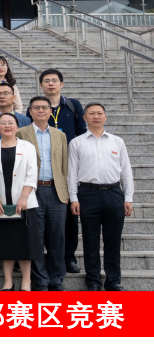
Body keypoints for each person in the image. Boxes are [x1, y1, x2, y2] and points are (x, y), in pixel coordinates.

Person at [69, 103, 134, 292]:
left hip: (114, 192)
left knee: (113, 239)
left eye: (99, 113)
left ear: (105, 117)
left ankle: (113, 281)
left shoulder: (117, 142)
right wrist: (74, 198)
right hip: (87, 193)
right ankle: (93, 281)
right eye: (91, 113)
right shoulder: (77, 143)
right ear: (84, 118)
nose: (96, 116)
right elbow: (72, 173)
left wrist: (128, 197)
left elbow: (126, 172)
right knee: (90, 239)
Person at [17, 96, 69, 291]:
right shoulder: (21, 133)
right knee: (35, 237)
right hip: (32, 190)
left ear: (50, 111)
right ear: (30, 111)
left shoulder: (59, 135)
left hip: (56, 191)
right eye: (36, 107)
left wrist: (66, 192)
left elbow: (64, 166)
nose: (40, 110)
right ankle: (40, 280)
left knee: (57, 236)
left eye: (44, 107)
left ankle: (56, 278)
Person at [39, 68, 87, 274]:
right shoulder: (38, 107)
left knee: (70, 216)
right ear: (41, 85)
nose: (51, 84)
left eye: (54, 80)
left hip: (69, 167)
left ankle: (69, 257)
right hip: (45, 167)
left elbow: (82, 132)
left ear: (61, 84)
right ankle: (44, 256)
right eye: (46, 81)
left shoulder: (73, 105)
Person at [0, 113, 42, 292]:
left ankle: (26, 282)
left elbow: (32, 173)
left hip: (24, 203)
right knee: (5, 242)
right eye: (3, 123)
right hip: (0, 204)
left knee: (24, 243)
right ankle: (8, 282)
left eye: (11, 122)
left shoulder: (28, 147)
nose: (7, 126)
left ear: (17, 127)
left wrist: (24, 196)